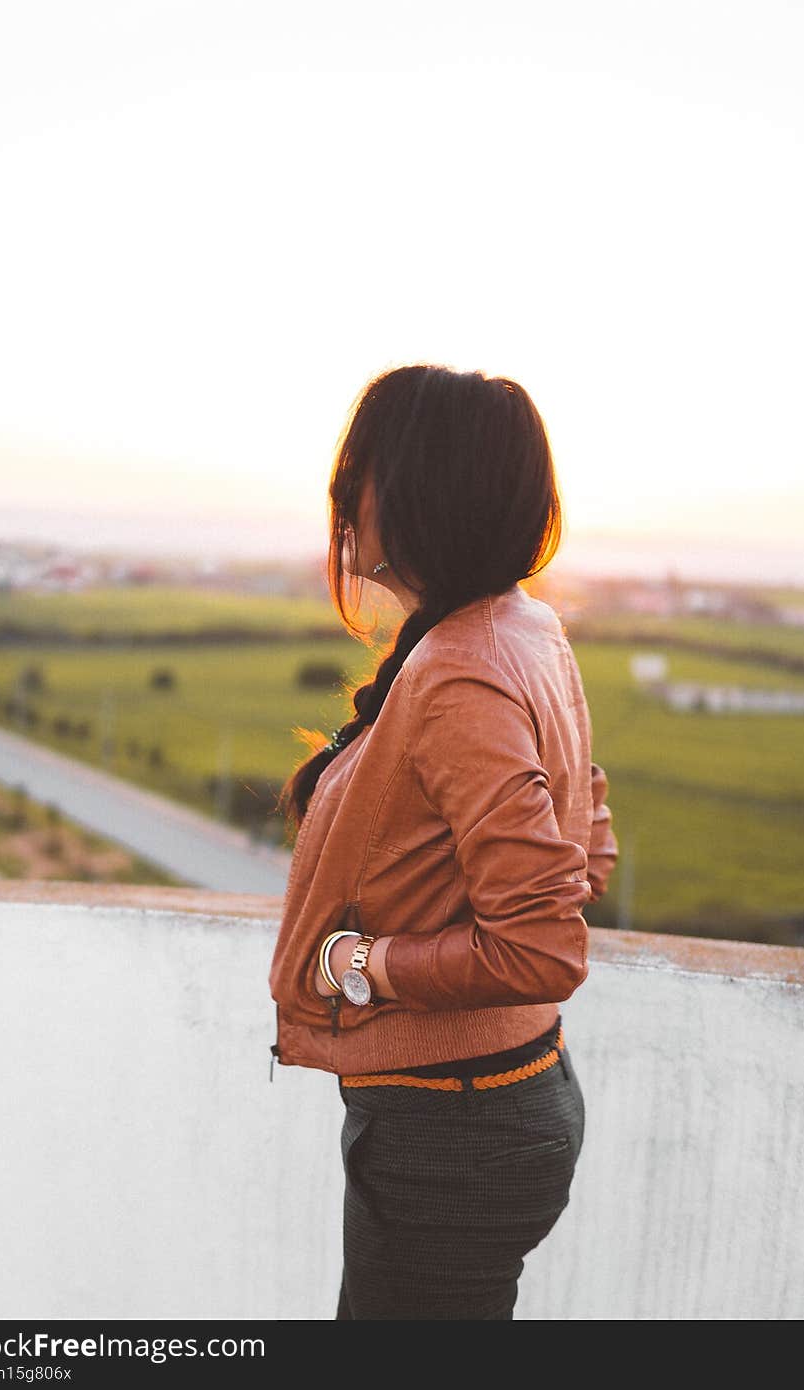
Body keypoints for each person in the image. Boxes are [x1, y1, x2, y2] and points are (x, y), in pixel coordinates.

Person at [268, 362, 619, 1320]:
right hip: (489, 1101)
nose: (344, 499)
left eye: (361, 475)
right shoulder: (524, 628)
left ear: (423, 492)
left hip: (450, 1128)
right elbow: (589, 841)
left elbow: (542, 944)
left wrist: (364, 964)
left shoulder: (461, 672)